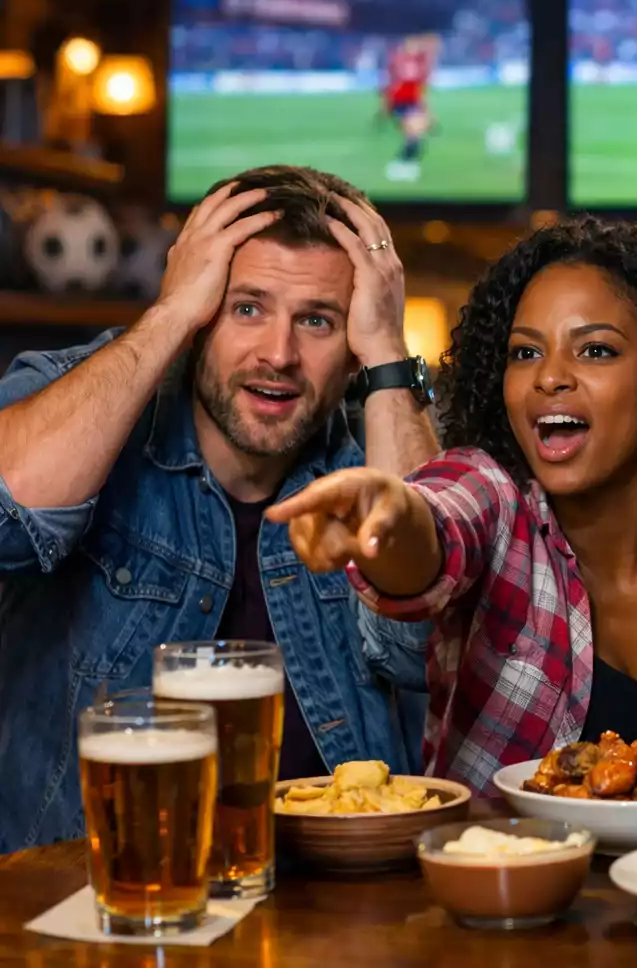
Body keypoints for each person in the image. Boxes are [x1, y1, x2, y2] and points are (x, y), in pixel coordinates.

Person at [0, 165, 441, 853]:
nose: (278, 354)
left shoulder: (371, 464)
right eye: (246, 307)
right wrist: (170, 314)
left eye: (317, 321)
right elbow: (10, 521)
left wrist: (388, 353)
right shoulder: (75, 395)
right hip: (87, 908)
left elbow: (429, 643)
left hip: (336, 919)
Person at [266, 217, 637, 795]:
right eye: (525, 353)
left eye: (596, 350)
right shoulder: (492, 494)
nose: (549, 376)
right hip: (504, 881)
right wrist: (389, 510)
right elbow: (436, 521)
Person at [382, 34, 438, 183]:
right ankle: (402, 166)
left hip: (413, 103)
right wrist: (386, 105)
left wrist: (426, 110)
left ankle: (406, 165)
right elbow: (390, 83)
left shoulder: (420, 63)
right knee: (414, 135)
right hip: (400, 102)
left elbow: (421, 90)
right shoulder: (398, 61)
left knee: (416, 136)